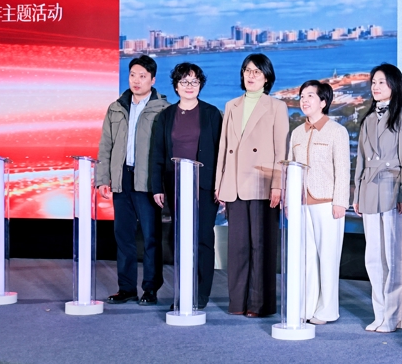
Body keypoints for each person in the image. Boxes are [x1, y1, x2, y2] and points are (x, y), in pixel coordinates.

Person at [215, 53, 288, 317]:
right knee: (237, 248)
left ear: (267, 77)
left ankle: (259, 304)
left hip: (262, 184)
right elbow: (223, 147)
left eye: (257, 71)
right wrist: (220, 182)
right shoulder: (231, 105)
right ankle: (237, 302)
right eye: (247, 70)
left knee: (261, 246)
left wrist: (278, 185)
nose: (251, 75)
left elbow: (281, 150)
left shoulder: (277, 106)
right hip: (234, 183)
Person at [97, 55, 170, 305]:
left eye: (142, 76)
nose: (136, 81)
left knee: (151, 237)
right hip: (122, 179)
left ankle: (150, 288)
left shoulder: (163, 109)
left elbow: (165, 149)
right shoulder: (116, 107)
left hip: (147, 181)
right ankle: (126, 288)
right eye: (132, 75)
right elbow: (105, 145)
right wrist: (102, 178)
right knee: (123, 237)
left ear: (153, 79)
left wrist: (162, 184)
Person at [150, 63, 222, 310]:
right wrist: (157, 187)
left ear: (200, 85)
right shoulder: (165, 116)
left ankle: (200, 295)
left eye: (194, 81)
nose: (189, 86)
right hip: (175, 185)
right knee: (180, 240)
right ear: (176, 86)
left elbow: (221, 152)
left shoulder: (212, 114)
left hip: (205, 186)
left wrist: (221, 184)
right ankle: (183, 293)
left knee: (203, 239)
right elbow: (157, 153)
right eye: (184, 82)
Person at [353, 63, 402, 333]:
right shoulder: (368, 118)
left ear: (394, 84)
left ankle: (393, 316)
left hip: (393, 189)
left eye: (381, 82)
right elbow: (360, 160)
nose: (375, 87)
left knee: (394, 257)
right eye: (373, 82)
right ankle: (380, 314)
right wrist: (357, 193)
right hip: (369, 190)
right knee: (373, 257)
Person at [288, 80, 350, 325]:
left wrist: (340, 201)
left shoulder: (337, 131)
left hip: (328, 203)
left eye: (310, 96)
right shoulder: (296, 133)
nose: (304, 100)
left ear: (323, 102)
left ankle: (327, 311)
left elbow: (343, 169)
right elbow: (290, 168)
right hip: (302, 203)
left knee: (328, 258)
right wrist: (289, 201)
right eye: (302, 96)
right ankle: (306, 307)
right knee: (306, 258)